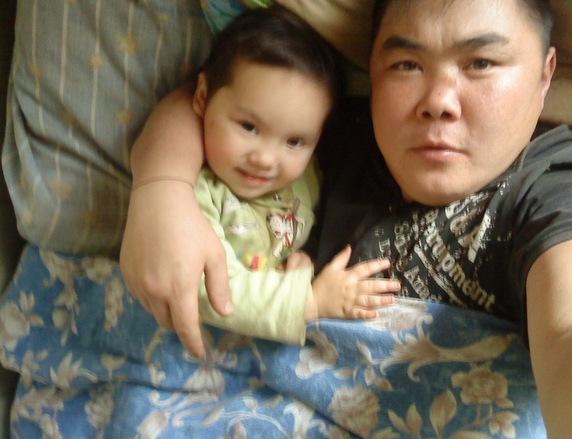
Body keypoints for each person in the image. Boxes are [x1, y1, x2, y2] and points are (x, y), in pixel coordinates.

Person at [121, 1, 572, 439]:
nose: (439, 101)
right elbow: (210, 105)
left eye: (480, 63)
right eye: (406, 65)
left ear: (545, 74)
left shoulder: (555, 190)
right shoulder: (337, 138)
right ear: (372, 69)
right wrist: (162, 190)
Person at [124, 7, 400, 346]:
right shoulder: (197, 195)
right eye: (248, 126)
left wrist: (304, 259)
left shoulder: (307, 177)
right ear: (202, 97)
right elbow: (208, 290)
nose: (266, 159)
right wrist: (311, 300)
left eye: (295, 142)